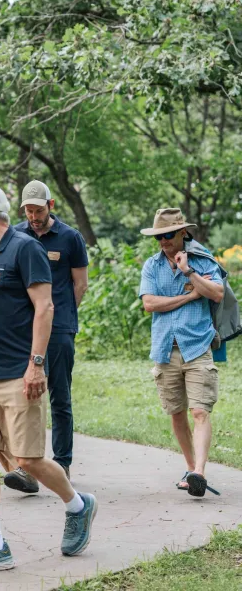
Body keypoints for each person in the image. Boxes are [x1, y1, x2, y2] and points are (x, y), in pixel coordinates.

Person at [0, 183, 98, 574]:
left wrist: (36, 364)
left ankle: (78, 505)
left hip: (17, 372)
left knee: (28, 460)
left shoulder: (24, 247)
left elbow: (45, 307)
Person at [3, 180, 89, 492]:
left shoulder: (70, 238)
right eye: (29, 210)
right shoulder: (15, 234)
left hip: (60, 328)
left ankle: (62, 463)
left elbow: (80, 283)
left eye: (38, 210)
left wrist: (59, 317)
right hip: (23, 331)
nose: (34, 216)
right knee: (27, 395)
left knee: (60, 396)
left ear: (50, 206)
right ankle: (29, 467)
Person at [139, 208, 224, 497]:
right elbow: (149, 303)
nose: (163, 241)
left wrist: (189, 272)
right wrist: (189, 296)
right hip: (165, 348)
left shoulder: (202, 260)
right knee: (177, 414)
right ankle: (191, 471)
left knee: (199, 410)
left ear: (182, 233)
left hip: (197, 346)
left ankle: (199, 471)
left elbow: (217, 293)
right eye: (158, 236)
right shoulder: (151, 266)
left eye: (168, 235)